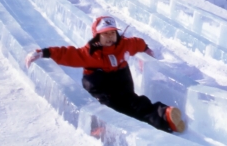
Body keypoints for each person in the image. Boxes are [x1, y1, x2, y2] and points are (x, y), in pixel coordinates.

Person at [25, 16, 185, 133]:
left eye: (112, 34)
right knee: (107, 111)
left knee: (138, 104)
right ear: (97, 36)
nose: (109, 38)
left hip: (123, 91)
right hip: (103, 94)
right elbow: (67, 54)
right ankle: (99, 129)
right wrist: (43, 53)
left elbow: (137, 42)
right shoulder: (90, 53)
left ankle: (166, 116)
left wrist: (146, 49)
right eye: (105, 34)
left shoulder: (124, 45)